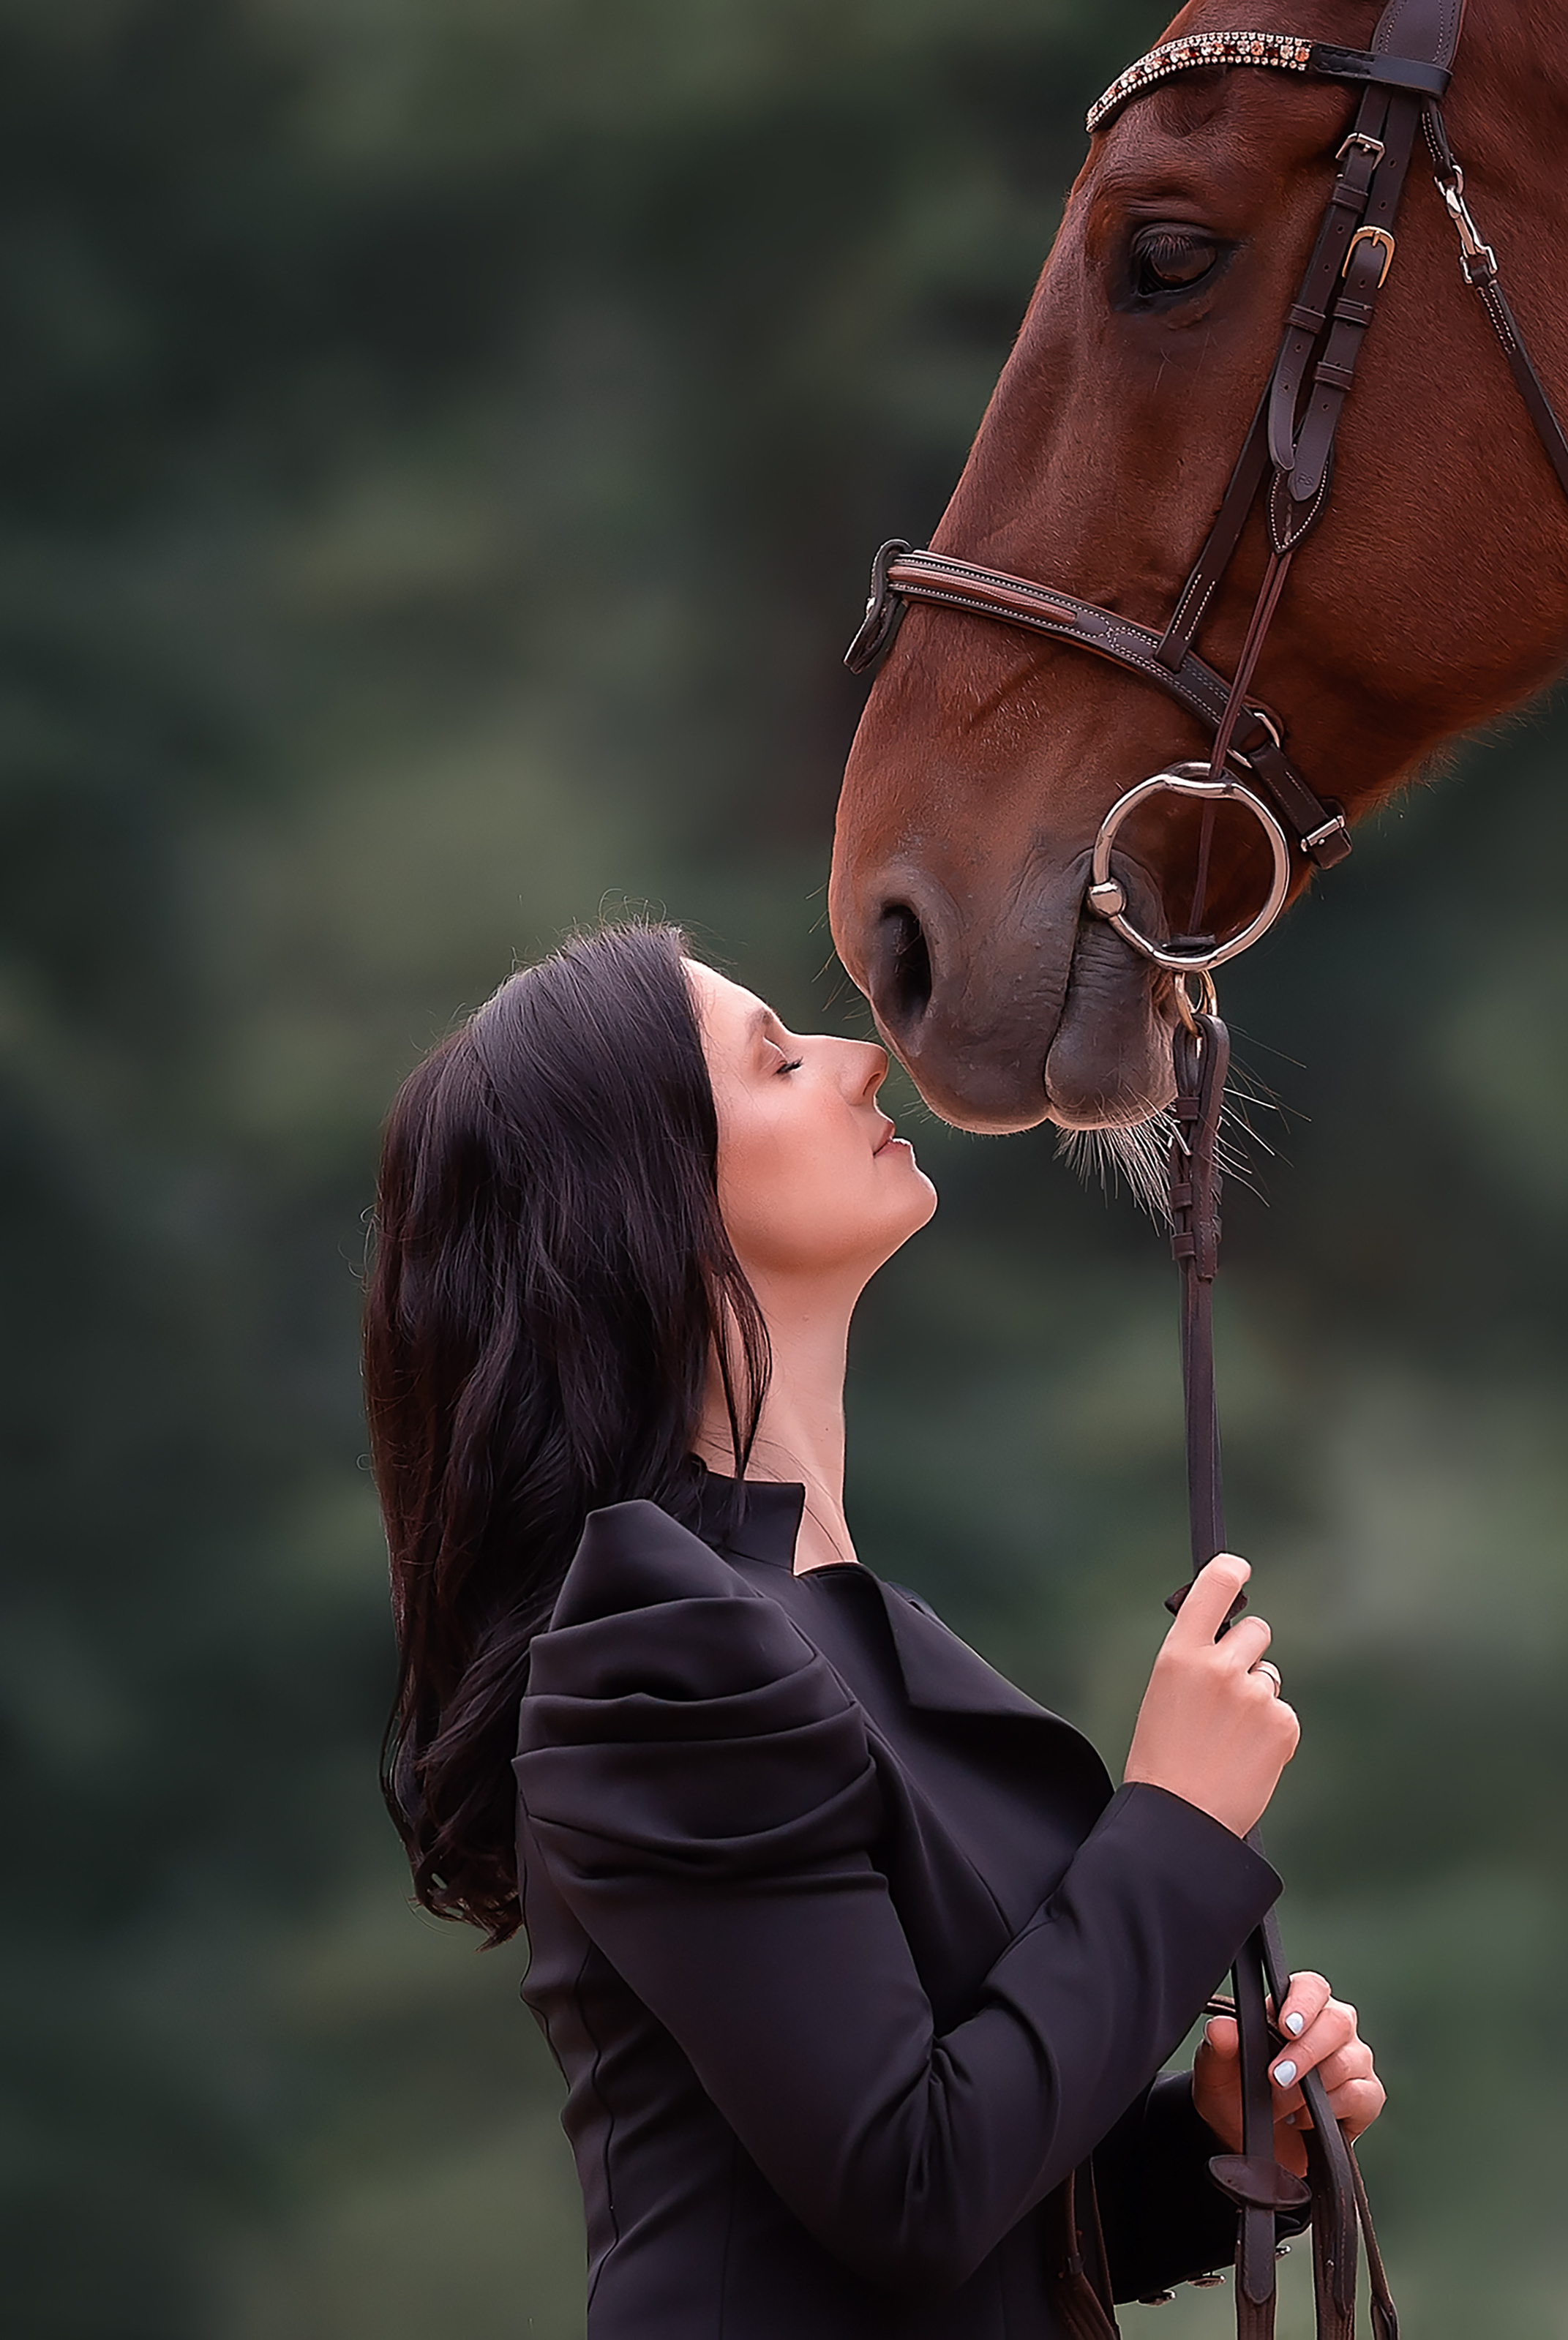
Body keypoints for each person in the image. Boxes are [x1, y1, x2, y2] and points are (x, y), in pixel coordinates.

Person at [365, 920, 1384, 2339]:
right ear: (647, 1201)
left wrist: (1216, 2152)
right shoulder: (657, 1663)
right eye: (776, 1063)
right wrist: (1171, 1819)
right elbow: (908, 2192)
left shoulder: (833, 1628)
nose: (861, 1063)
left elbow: (931, 2211)